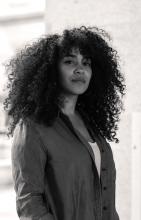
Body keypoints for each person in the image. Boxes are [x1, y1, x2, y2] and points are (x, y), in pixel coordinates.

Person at [4, 26, 126, 220]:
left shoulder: (91, 124)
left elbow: (104, 197)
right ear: (51, 70)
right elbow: (29, 201)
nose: (80, 69)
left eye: (86, 63)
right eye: (69, 61)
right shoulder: (32, 127)